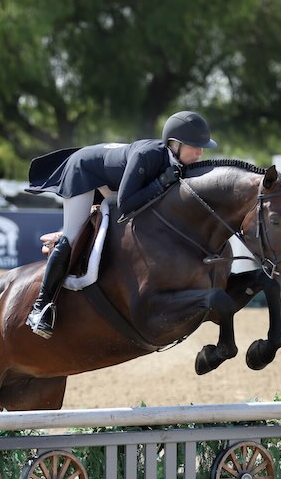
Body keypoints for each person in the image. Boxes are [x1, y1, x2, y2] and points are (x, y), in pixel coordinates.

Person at [23, 110, 217, 339]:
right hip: (84, 172)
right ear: (175, 144)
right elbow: (126, 205)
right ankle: (41, 307)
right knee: (73, 236)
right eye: (195, 146)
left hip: (113, 178)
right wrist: (162, 181)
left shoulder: (176, 161)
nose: (200, 152)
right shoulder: (149, 156)